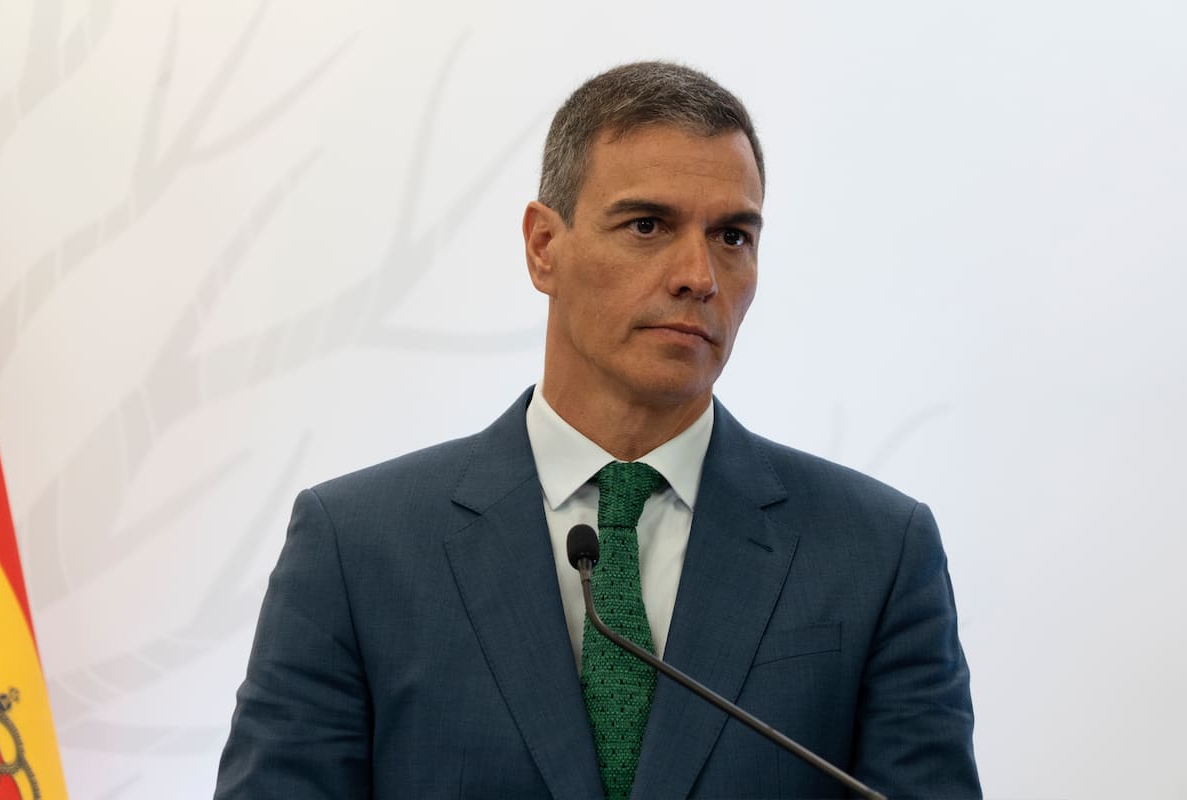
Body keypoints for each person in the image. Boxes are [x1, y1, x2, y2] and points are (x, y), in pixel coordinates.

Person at [215, 61, 980, 799]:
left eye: (733, 237)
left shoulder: (876, 553)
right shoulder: (358, 548)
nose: (699, 275)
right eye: (648, 225)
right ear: (544, 247)